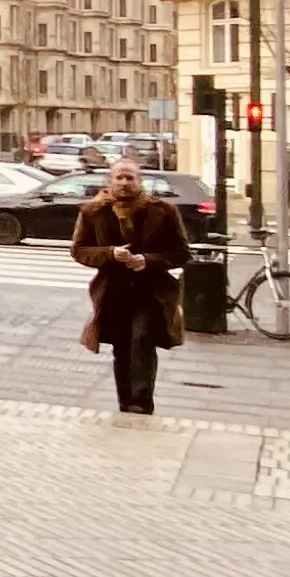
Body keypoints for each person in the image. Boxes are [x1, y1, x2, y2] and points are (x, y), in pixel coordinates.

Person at [72, 155, 188, 415]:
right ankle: (125, 402)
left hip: (151, 292)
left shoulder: (163, 211)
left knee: (142, 340)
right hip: (113, 291)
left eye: (130, 178)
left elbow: (181, 253)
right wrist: (110, 253)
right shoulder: (93, 212)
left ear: (140, 181)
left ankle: (141, 403)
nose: (124, 183)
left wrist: (146, 260)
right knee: (122, 347)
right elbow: (80, 250)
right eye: (119, 177)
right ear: (109, 180)